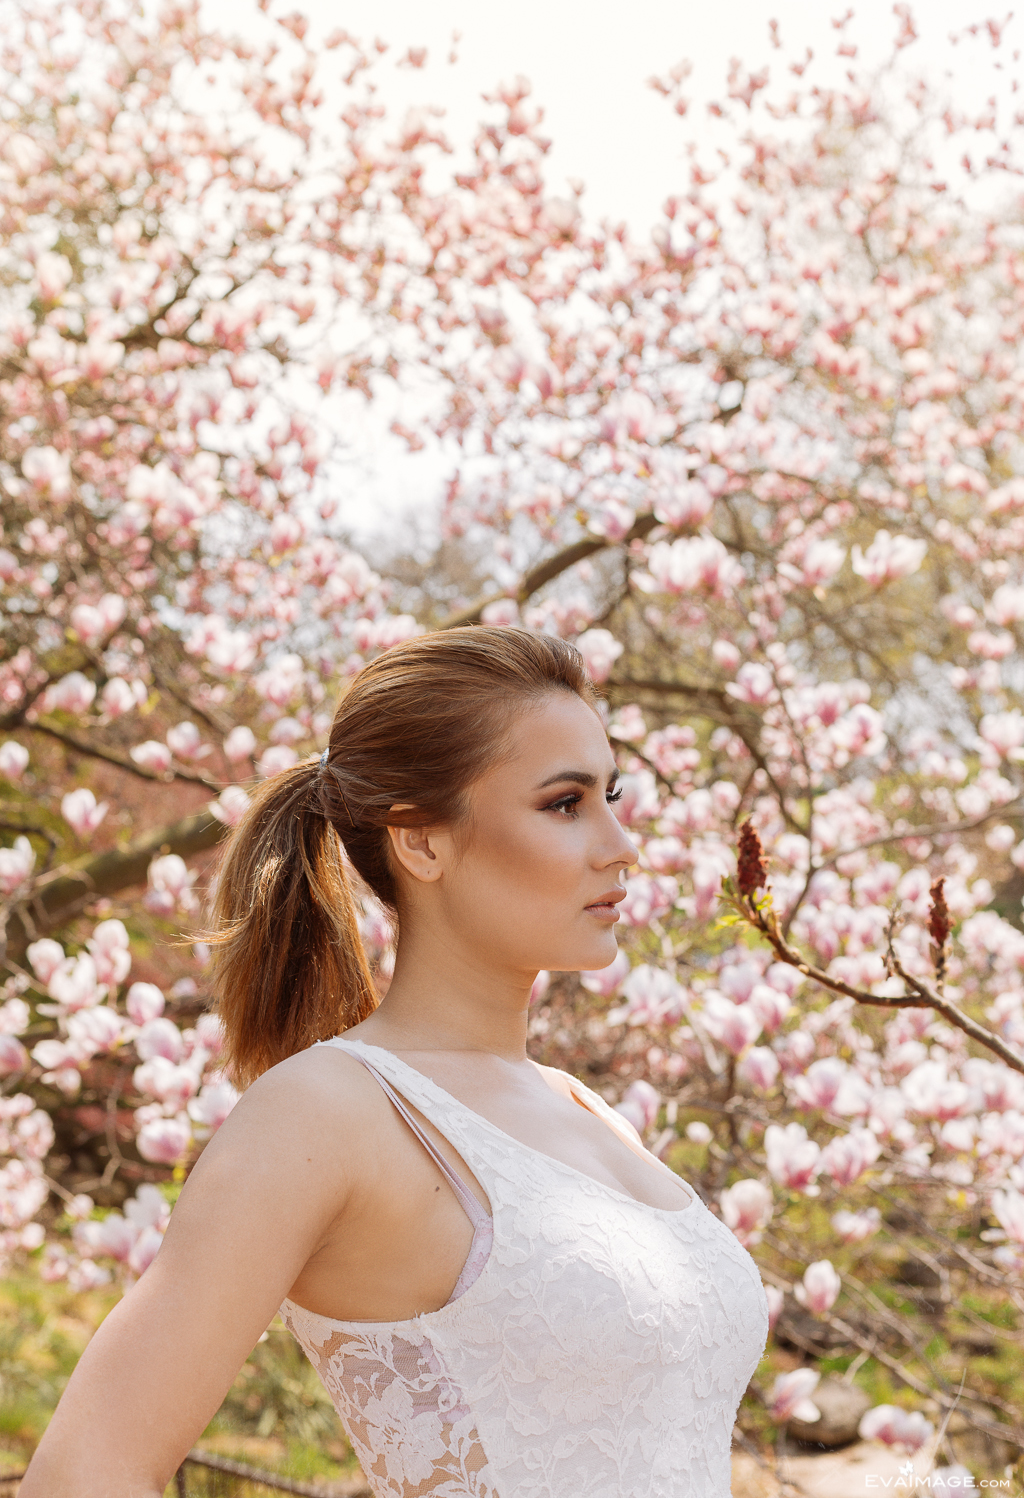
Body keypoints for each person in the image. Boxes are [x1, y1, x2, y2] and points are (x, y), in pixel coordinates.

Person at [22, 626, 768, 1498]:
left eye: (612, 793)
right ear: (420, 842)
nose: (620, 842)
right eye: (565, 803)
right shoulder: (329, 1112)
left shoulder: (583, 1108)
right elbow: (82, 1474)